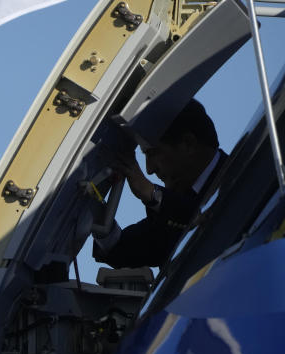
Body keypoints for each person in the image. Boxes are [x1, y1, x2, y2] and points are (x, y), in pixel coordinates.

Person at [93, 99, 227, 269]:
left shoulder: (246, 173)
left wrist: (152, 194)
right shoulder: (175, 206)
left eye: (152, 153)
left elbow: (210, 219)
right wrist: (99, 217)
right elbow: (129, 249)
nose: (149, 169)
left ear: (188, 144)